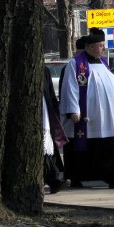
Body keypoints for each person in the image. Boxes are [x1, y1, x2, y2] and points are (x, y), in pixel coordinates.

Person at [60, 28, 114, 189]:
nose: (103, 49)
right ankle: (76, 177)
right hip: (88, 116)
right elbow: (70, 88)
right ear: (90, 46)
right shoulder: (76, 64)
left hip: (108, 115)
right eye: (101, 46)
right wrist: (73, 110)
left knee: (112, 144)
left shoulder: (103, 63)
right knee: (84, 147)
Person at [43, 66, 70, 194]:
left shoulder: (45, 71)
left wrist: (55, 113)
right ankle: (53, 180)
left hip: (46, 117)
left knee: (48, 150)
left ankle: (54, 179)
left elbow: (51, 95)